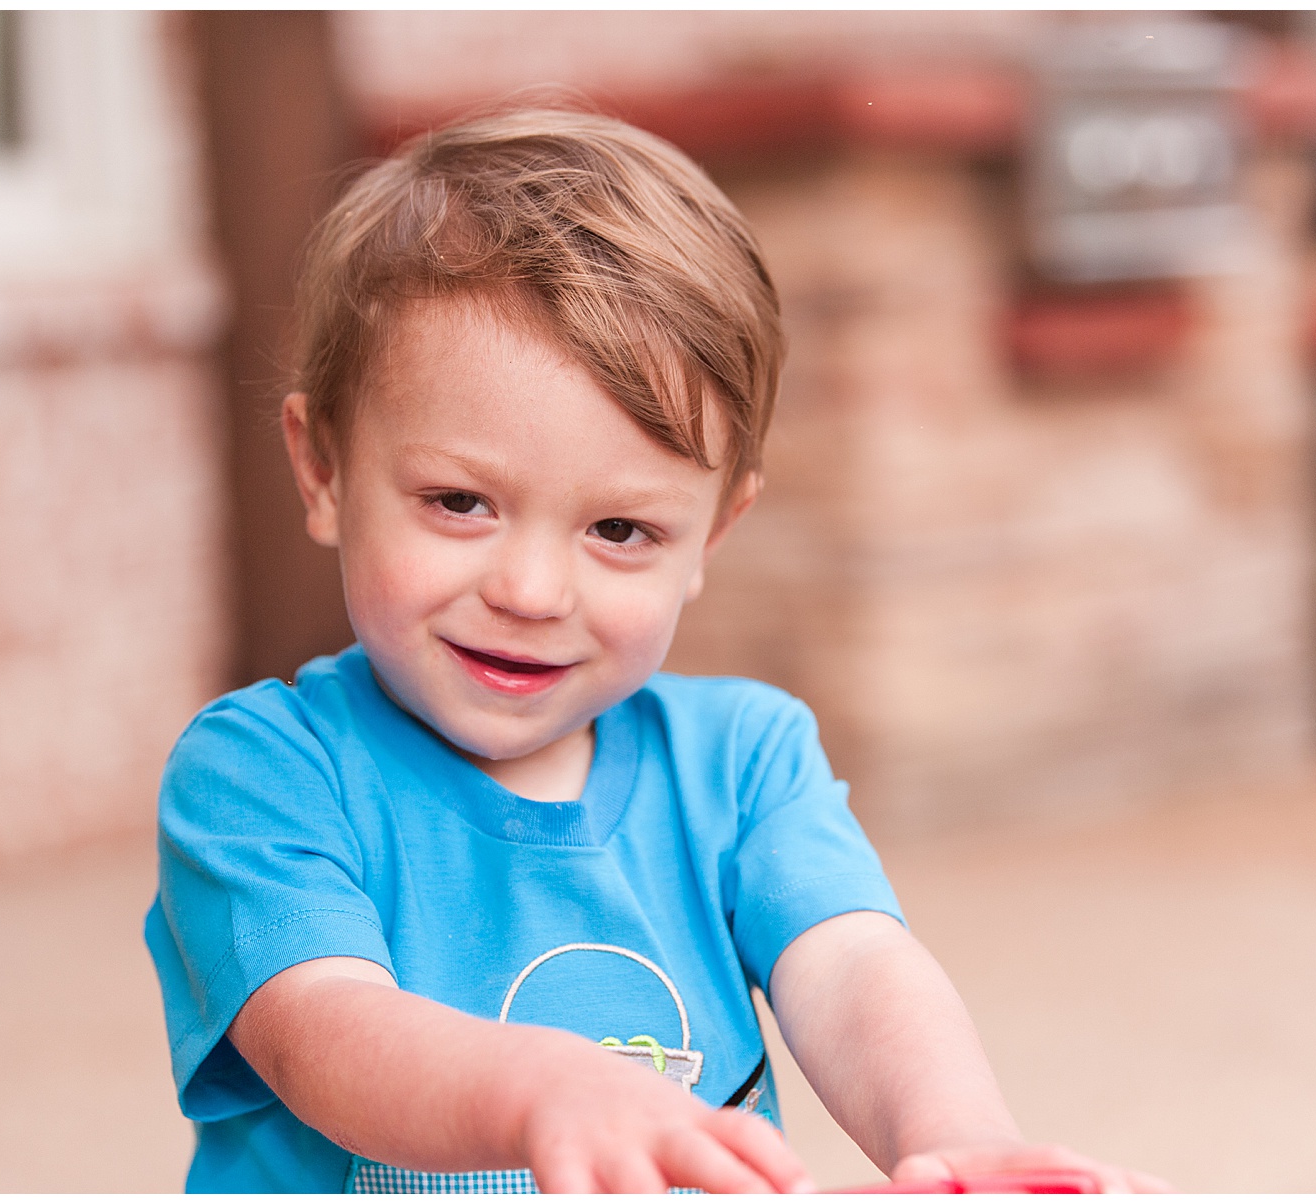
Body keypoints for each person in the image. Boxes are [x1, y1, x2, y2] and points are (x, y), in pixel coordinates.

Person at [145, 106, 1166, 1194]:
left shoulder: (744, 759)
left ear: (710, 538)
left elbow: (854, 966)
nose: (531, 591)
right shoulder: (261, 775)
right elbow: (328, 1034)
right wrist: (543, 1092)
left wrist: (955, 1133)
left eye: (620, 530)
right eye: (459, 501)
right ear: (324, 473)